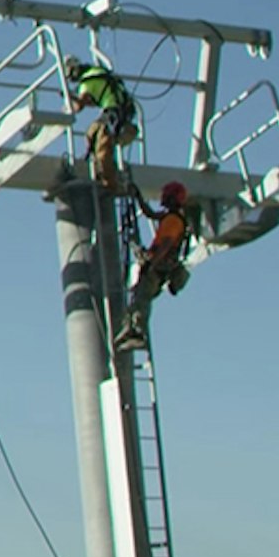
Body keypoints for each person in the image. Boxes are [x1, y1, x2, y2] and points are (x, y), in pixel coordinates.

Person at [113, 181, 190, 352]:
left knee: (142, 297)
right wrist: (138, 197)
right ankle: (131, 330)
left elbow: (166, 244)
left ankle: (137, 333)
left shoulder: (173, 221)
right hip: (159, 266)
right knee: (138, 296)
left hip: (159, 267)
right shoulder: (170, 217)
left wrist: (152, 264)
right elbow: (150, 214)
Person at [63, 56, 138, 191]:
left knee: (102, 140)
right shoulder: (96, 72)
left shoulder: (86, 82)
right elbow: (93, 100)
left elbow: (80, 105)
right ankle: (97, 164)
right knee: (92, 132)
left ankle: (109, 183)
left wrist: (68, 103)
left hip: (114, 112)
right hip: (123, 111)